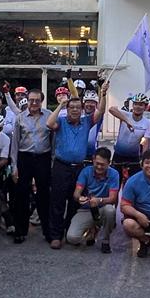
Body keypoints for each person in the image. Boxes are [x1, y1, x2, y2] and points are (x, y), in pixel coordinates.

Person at [46, 93, 104, 249]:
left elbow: (100, 112)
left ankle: (69, 232)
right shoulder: (61, 121)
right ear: (67, 108)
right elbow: (49, 124)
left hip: (78, 168)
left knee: (75, 202)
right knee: (57, 202)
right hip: (61, 166)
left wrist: (103, 95)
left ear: (82, 109)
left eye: (78, 107)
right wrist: (60, 105)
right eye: (72, 107)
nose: (75, 110)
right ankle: (56, 236)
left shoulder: (86, 122)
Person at [9, 89, 52, 244]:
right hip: (24, 157)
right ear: (27, 100)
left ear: (41, 101)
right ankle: (20, 231)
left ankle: (48, 231)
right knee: (21, 195)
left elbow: (53, 139)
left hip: (43, 158)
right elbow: (15, 144)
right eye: (31, 100)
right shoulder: (20, 118)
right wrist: (14, 166)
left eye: (37, 100)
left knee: (44, 195)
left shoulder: (48, 115)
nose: (34, 103)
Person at [66, 147, 120, 253]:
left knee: (110, 210)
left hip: (102, 208)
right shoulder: (86, 171)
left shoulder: (114, 174)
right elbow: (76, 192)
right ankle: (92, 229)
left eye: (103, 165)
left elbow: (113, 198)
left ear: (109, 163)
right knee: (72, 238)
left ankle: (105, 240)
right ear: (93, 159)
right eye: (97, 163)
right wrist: (79, 197)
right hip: (86, 209)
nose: (99, 167)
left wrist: (99, 200)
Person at [108, 92, 150, 174]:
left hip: (134, 157)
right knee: (115, 180)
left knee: (134, 181)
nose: (138, 107)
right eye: (135, 104)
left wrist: (144, 159)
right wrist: (126, 121)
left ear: (145, 107)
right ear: (132, 105)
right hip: (119, 154)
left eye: (141, 105)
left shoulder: (147, 122)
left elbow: (146, 143)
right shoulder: (126, 115)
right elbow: (111, 109)